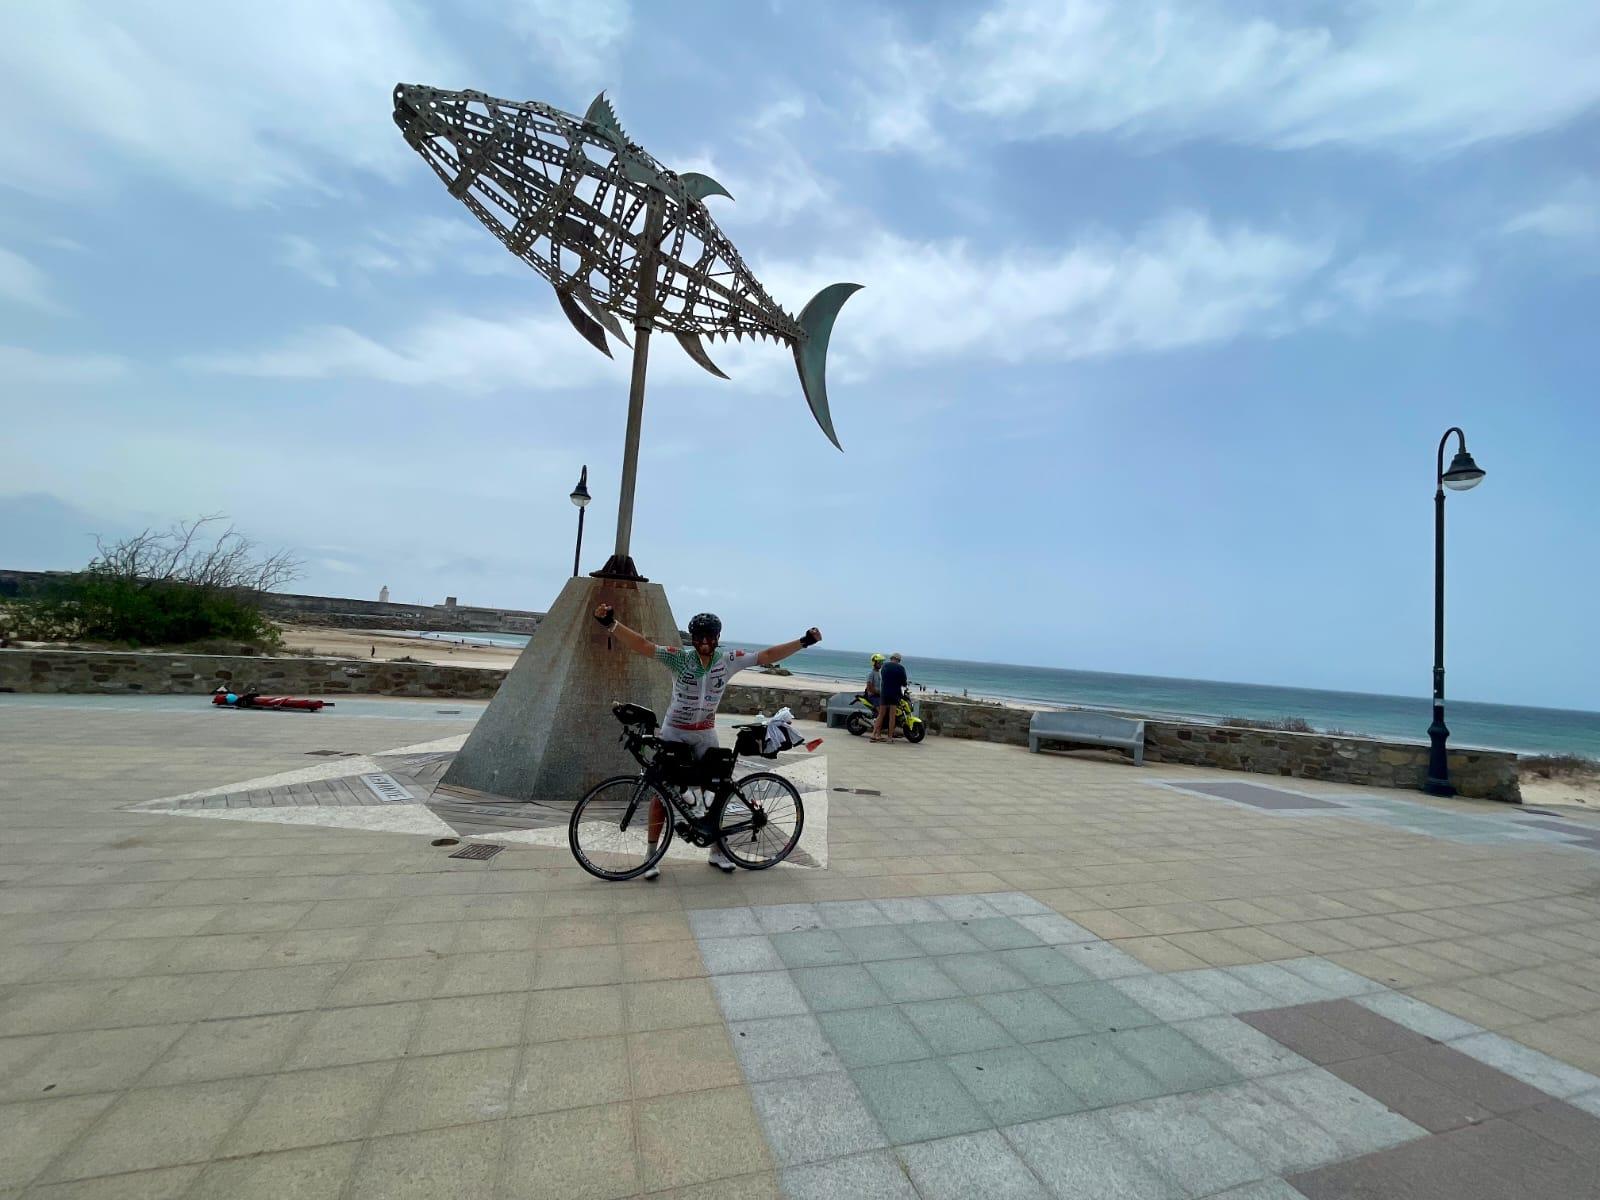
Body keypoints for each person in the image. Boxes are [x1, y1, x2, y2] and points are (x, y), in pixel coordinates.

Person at [591, 604, 822, 878]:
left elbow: (767, 655)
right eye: (699, 637)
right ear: (692, 637)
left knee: (715, 791)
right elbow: (643, 645)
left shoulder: (727, 659)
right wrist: (610, 623)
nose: (704, 642)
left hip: (706, 733)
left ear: (717, 637)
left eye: (709, 637)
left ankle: (717, 850)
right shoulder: (680, 659)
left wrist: (804, 641)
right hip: (675, 731)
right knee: (661, 792)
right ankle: (650, 857)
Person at [873, 652, 908, 743]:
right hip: (895, 694)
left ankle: (874, 735)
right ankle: (889, 738)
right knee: (892, 716)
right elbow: (904, 682)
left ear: (891, 658)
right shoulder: (901, 668)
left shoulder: (884, 666)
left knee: (881, 715)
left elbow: (883, 678)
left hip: (884, 693)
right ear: (899, 660)